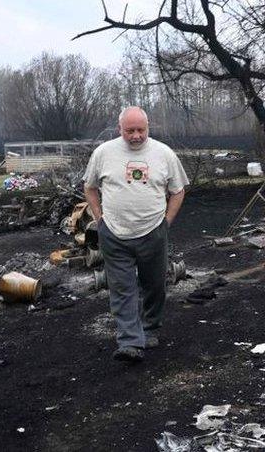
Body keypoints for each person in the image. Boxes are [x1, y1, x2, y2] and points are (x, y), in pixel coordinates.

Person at [83, 107, 189, 362]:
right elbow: (89, 187)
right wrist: (100, 219)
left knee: (154, 285)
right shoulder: (104, 153)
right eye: (130, 130)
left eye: (141, 130)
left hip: (153, 231)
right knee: (122, 288)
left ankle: (150, 328)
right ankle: (130, 341)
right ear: (120, 129)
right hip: (114, 234)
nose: (136, 136)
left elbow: (178, 190)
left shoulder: (163, 153)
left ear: (148, 127)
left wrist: (166, 222)